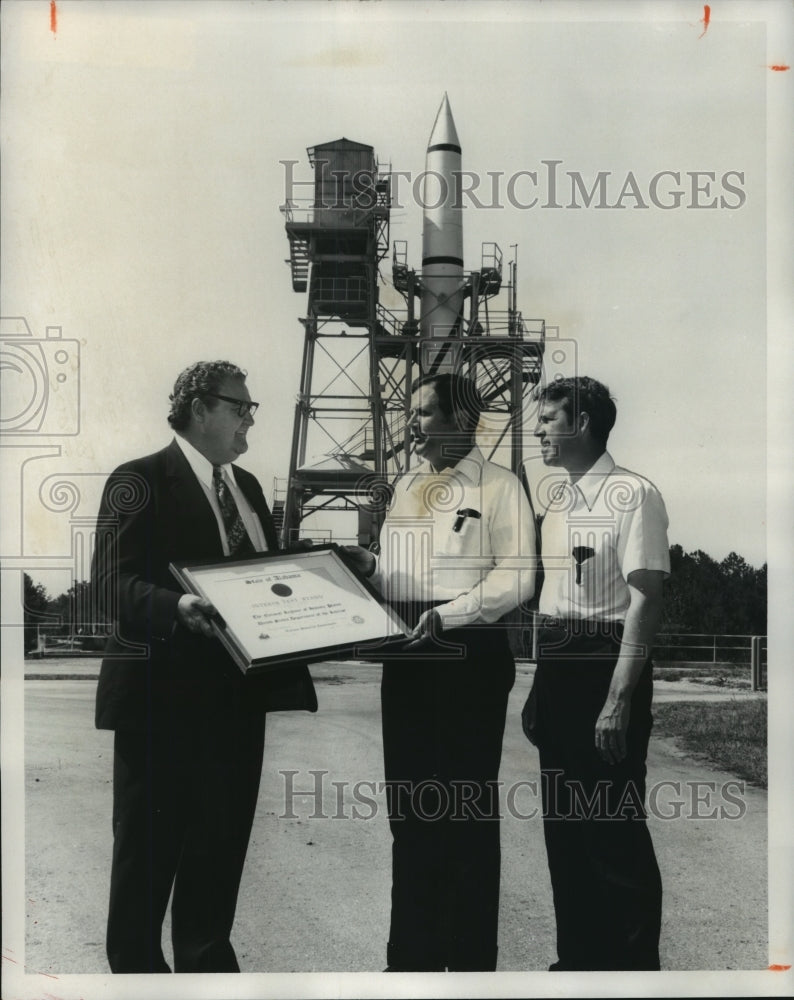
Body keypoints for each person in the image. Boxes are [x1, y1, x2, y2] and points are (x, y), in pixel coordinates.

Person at [91, 360, 317, 973]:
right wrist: (176, 605)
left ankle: (207, 976)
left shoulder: (247, 490)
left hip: (236, 707)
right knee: (146, 861)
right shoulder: (137, 480)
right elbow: (110, 585)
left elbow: (264, 585)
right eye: (239, 406)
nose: (249, 418)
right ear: (198, 408)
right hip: (160, 706)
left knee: (217, 863)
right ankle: (137, 980)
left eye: (251, 409)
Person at [344, 372, 536, 972]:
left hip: (468, 659)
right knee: (411, 815)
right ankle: (412, 965)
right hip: (407, 659)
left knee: (465, 818)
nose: (412, 424)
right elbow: (401, 573)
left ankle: (472, 968)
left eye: (424, 413)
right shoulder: (407, 486)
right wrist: (366, 564)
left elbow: (518, 576)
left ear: (461, 421)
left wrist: (450, 616)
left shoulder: (501, 487)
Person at [522, 375, 669, 971]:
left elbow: (647, 599)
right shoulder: (557, 501)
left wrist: (618, 700)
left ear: (582, 424)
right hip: (557, 667)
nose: (537, 430)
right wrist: (540, 687)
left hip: (604, 666)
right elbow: (551, 596)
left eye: (548, 419)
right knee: (565, 834)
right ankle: (576, 965)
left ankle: (633, 974)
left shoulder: (634, 494)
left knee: (612, 833)